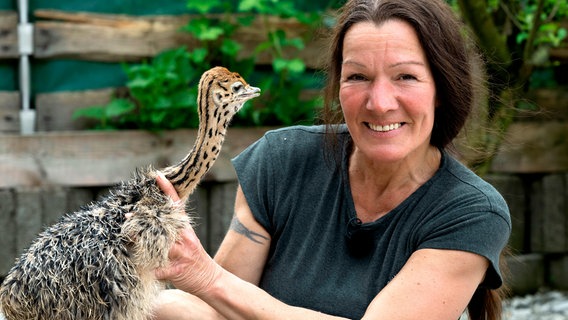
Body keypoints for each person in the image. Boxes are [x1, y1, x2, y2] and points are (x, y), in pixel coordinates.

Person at [152, 0, 512, 319]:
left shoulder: (472, 213)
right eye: (358, 76)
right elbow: (216, 313)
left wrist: (206, 277)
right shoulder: (282, 161)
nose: (380, 102)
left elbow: (217, 288)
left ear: (441, 89)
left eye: (406, 76)